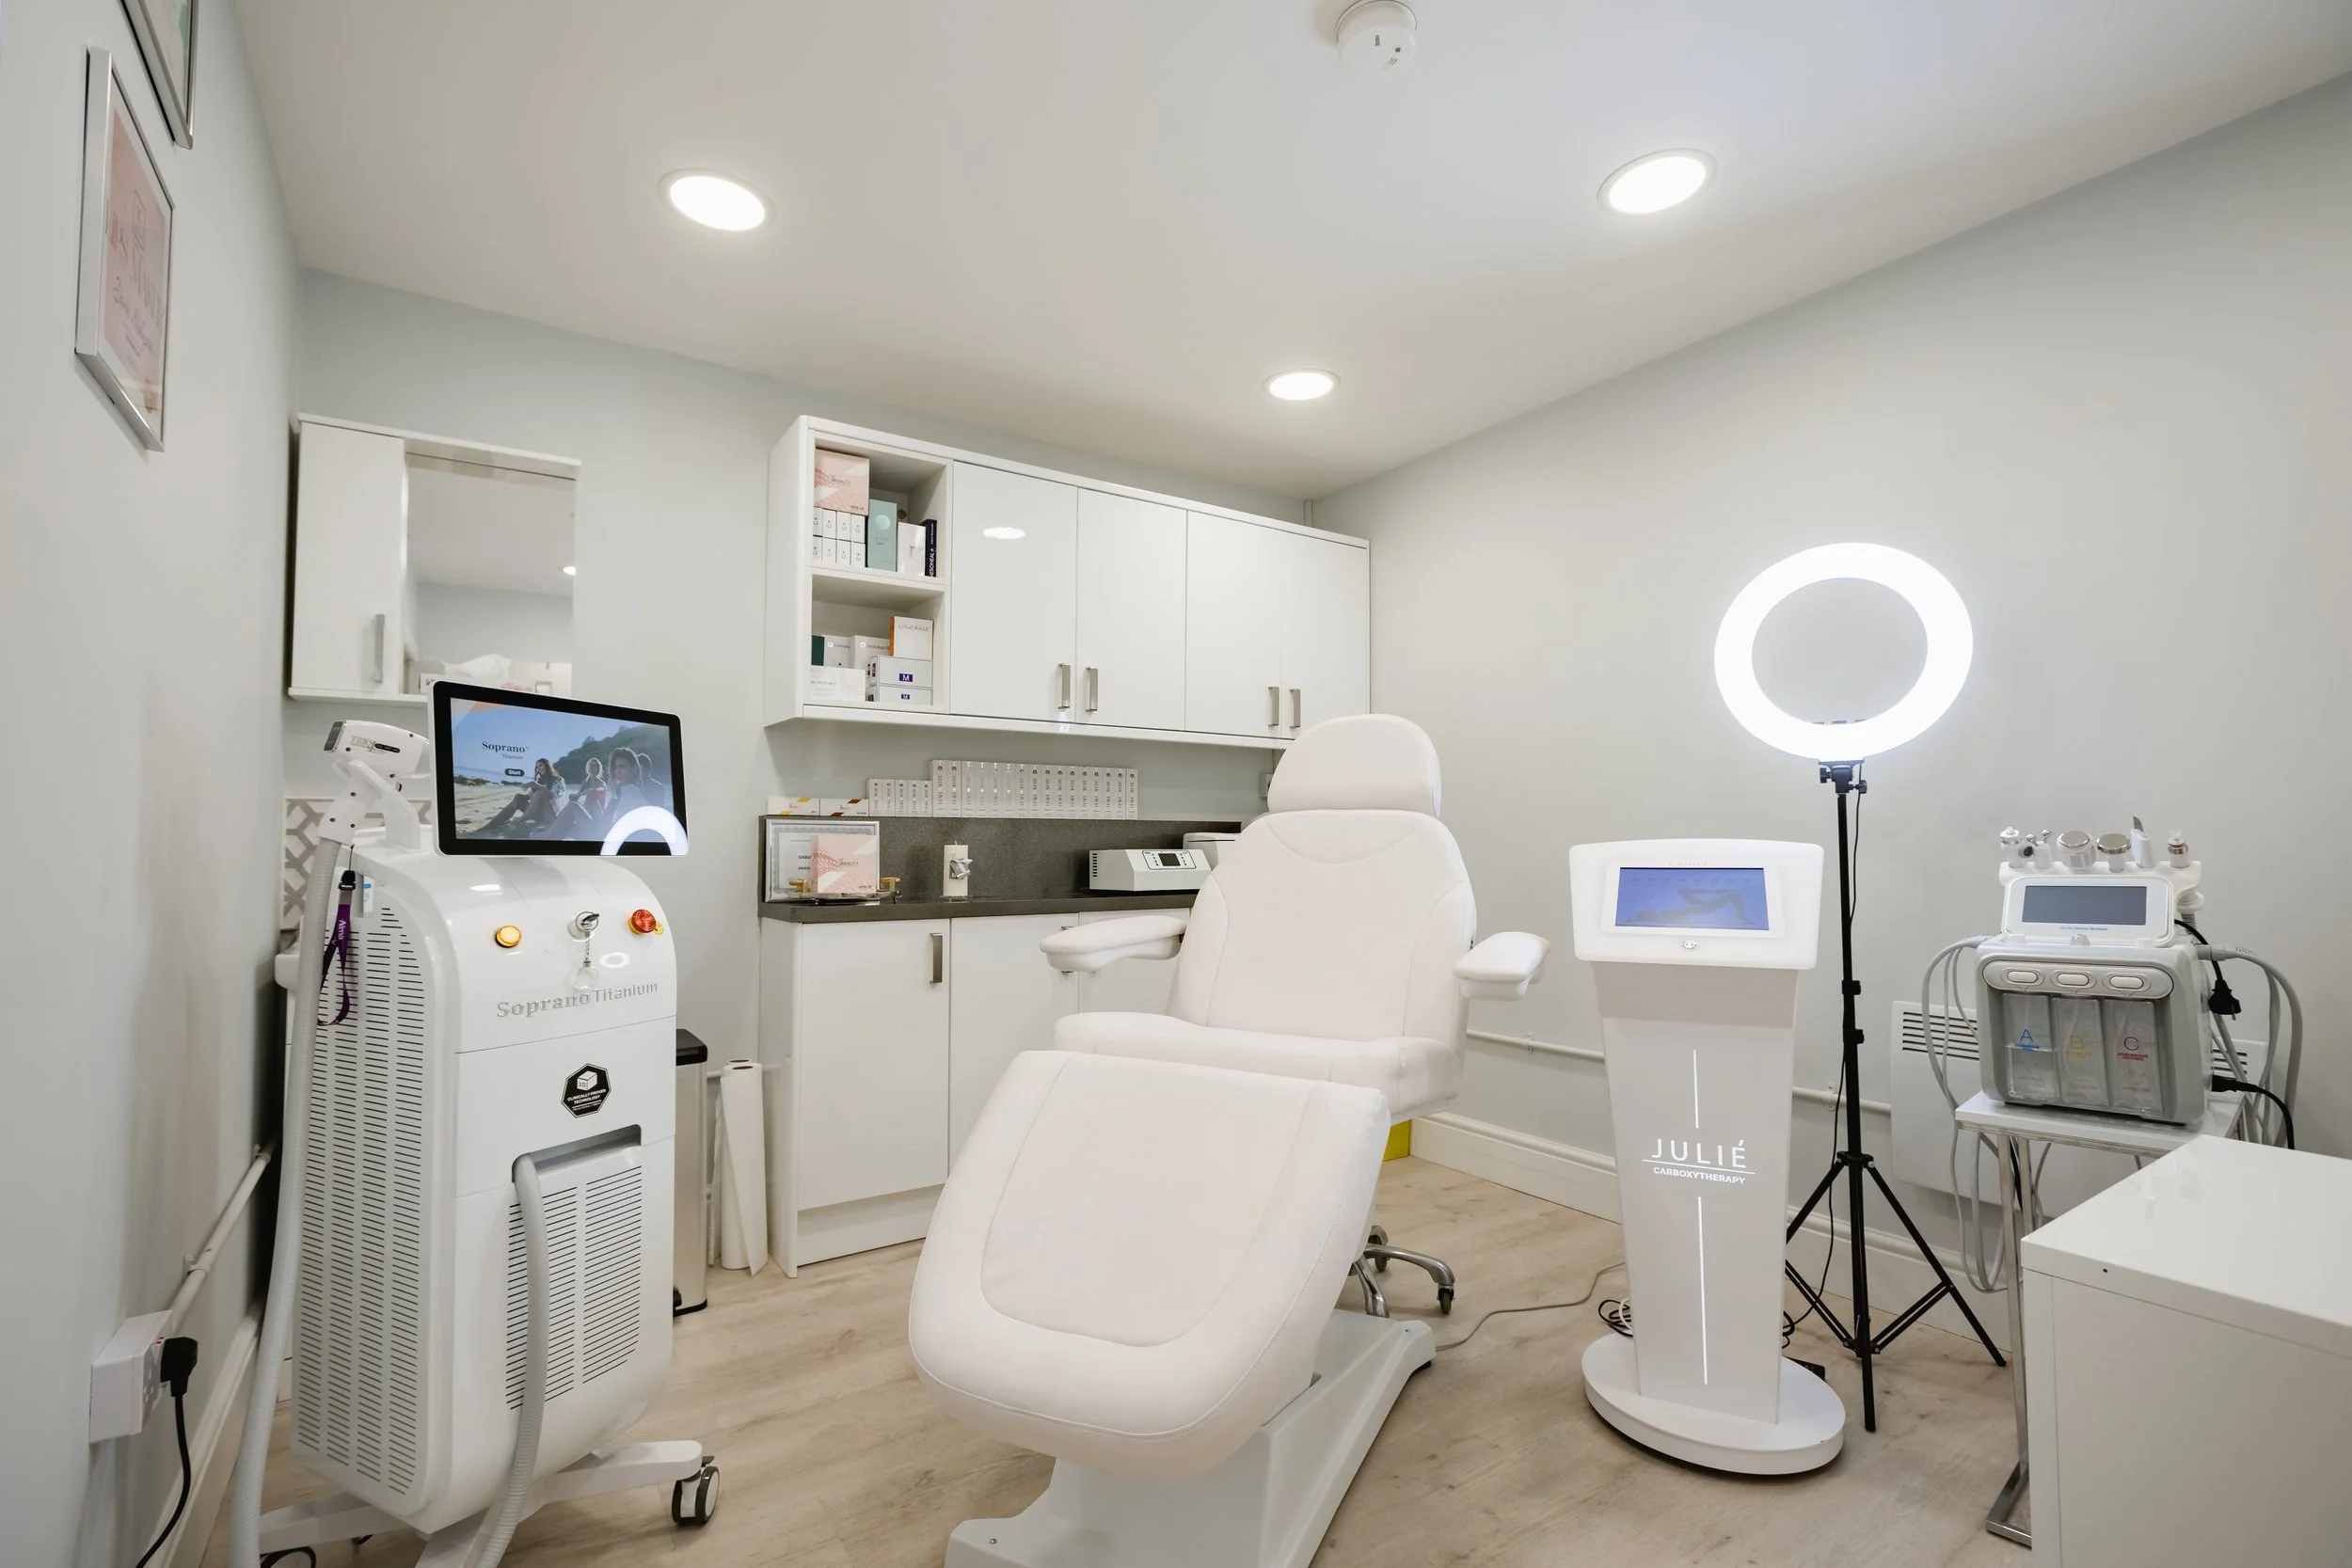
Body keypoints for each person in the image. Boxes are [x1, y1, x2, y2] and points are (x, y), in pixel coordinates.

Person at [481, 758, 564, 837]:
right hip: (539, 816)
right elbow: (531, 796)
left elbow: (554, 797)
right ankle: (491, 825)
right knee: (518, 798)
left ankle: (520, 822)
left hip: (551, 816)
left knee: (540, 793)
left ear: (547, 766)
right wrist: (521, 797)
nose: (539, 769)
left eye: (540, 765)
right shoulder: (540, 781)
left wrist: (537, 785)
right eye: (537, 767)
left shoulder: (558, 780)